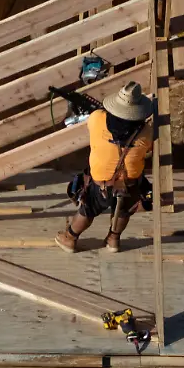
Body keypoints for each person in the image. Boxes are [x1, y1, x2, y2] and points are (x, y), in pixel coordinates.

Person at [55, 81, 154, 254]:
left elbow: (95, 119)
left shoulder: (97, 119)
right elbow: (148, 148)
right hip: (130, 183)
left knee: (88, 209)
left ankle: (70, 238)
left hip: (101, 182)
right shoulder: (146, 132)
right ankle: (113, 240)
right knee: (123, 211)